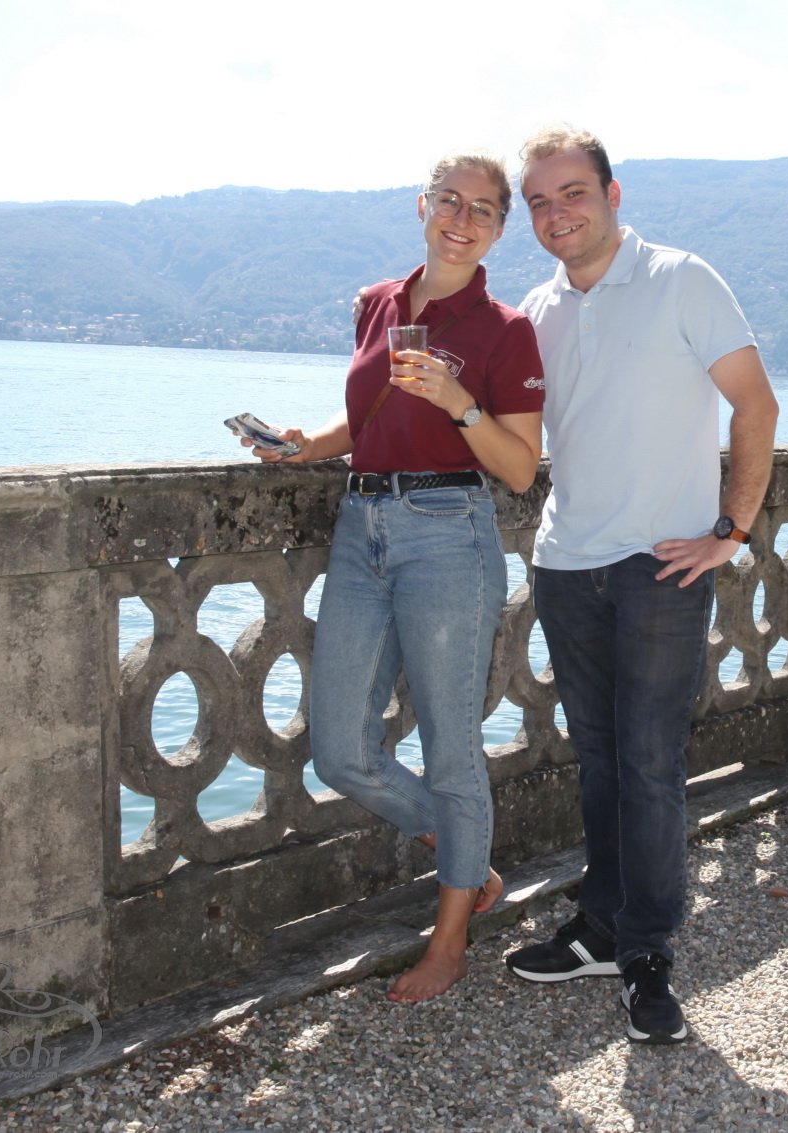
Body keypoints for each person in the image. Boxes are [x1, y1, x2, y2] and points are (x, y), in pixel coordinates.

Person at [241, 152, 544, 1003]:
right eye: (450, 200)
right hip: (360, 523)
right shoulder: (376, 302)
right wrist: (308, 444)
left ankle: (449, 944)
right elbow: (370, 416)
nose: (462, 218)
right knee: (340, 750)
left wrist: (458, 401)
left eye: (483, 209)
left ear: (500, 229)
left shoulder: (508, 331)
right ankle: (467, 859)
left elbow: (520, 468)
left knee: (452, 748)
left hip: (449, 531)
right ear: (422, 205)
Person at [503, 126, 779, 1045]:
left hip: (661, 566)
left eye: (573, 192)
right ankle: (599, 927)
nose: (557, 214)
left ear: (613, 194)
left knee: (651, 763)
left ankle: (648, 952)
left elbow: (756, 404)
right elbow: (503, 429)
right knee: (598, 758)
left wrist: (730, 531)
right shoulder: (536, 311)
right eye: (539, 201)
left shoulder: (681, 279)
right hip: (564, 563)